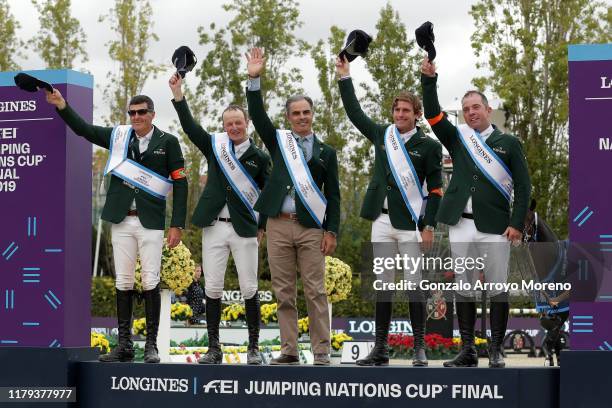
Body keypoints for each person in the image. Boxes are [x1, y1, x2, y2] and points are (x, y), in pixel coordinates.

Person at [45, 89, 188, 364]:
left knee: (150, 280)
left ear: (152, 115)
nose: (135, 117)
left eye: (141, 112)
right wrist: (62, 105)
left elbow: (180, 184)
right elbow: (85, 130)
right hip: (122, 219)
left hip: (152, 221)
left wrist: (177, 224)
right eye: (132, 113)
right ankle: (124, 346)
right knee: (122, 281)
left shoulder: (168, 142)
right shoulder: (119, 137)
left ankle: (150, 346)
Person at [421, 56, 531, 368]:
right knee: (464, 286)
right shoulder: (458, 138)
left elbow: (524, 187)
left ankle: (495, 349)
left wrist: (517, 224)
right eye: (466, 109)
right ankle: (468, 349)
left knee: (497, 287)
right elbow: (432, 114)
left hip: (496, 226)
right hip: (460, 225)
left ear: (487, 109)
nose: (471, 113)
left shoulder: (508, 142)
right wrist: (429, 80)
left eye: (476, 107)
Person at [335, 55, 443, 367]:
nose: (399, 114)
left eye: (406, 110)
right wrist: (345, 77)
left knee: (413, 285)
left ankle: (419, 347)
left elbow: (435, 190)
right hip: (380, 221)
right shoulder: (383, 135)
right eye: (396, 110)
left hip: (411, 223)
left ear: (416, 114)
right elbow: (355, 114)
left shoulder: (430, 147)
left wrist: (429, 226)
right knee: (381, 284)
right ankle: (380, 347)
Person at [245, 47, 341, 366]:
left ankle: (321, 351)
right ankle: (288, 349)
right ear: (288, 117)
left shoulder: (327, 153)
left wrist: (332, 231)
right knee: (283, 292)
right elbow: (257, 117)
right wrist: (254, 80)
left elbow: (336, 196)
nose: (301, 117)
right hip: (278, 224)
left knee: (315, 290)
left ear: (312, 115)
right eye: (295, 113)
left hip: (312, 226)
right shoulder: (279, 143)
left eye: (306, 112)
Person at [169, 72, 270, 365]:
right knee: (212, 287)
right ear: (224, 126)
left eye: (239, 122)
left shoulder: (260, 157)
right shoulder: (215, 146)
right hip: (214, 226)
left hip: (245, 230)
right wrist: (179, 95)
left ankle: (253, 347)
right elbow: (190, 127)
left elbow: (268, 194)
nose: (234, 127)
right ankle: (214, 349)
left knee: (249, 287)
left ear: (247, 124)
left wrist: (262, 225)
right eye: (229, 124)